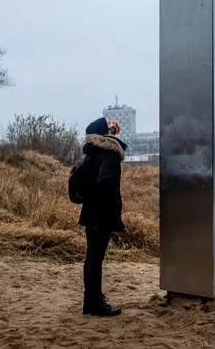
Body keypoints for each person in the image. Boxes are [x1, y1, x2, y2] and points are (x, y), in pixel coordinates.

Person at [79, 117, 127, 316]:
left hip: (90, 212)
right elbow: (105, 183)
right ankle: (96, 304)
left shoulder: (91, 154)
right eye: (111, 129)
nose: (114, 132)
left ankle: (89, 302)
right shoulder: (109, 155)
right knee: (96, 259)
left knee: (91, 258)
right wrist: (113, 212)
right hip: (101, 214)